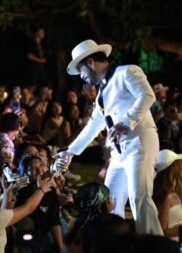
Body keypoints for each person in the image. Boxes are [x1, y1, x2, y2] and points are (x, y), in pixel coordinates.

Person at [54, 40, 162, 235]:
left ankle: (153, 246)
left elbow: (147, 96)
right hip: (119, 153)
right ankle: (114, 244)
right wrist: (70, 152)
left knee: (139, 198)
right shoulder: (101, 95)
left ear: (90, 63)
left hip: (140, 143)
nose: (81, 77)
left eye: (81, 70)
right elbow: (93, 126)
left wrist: (126, 122)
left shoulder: (126, 72)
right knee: (108, 201)